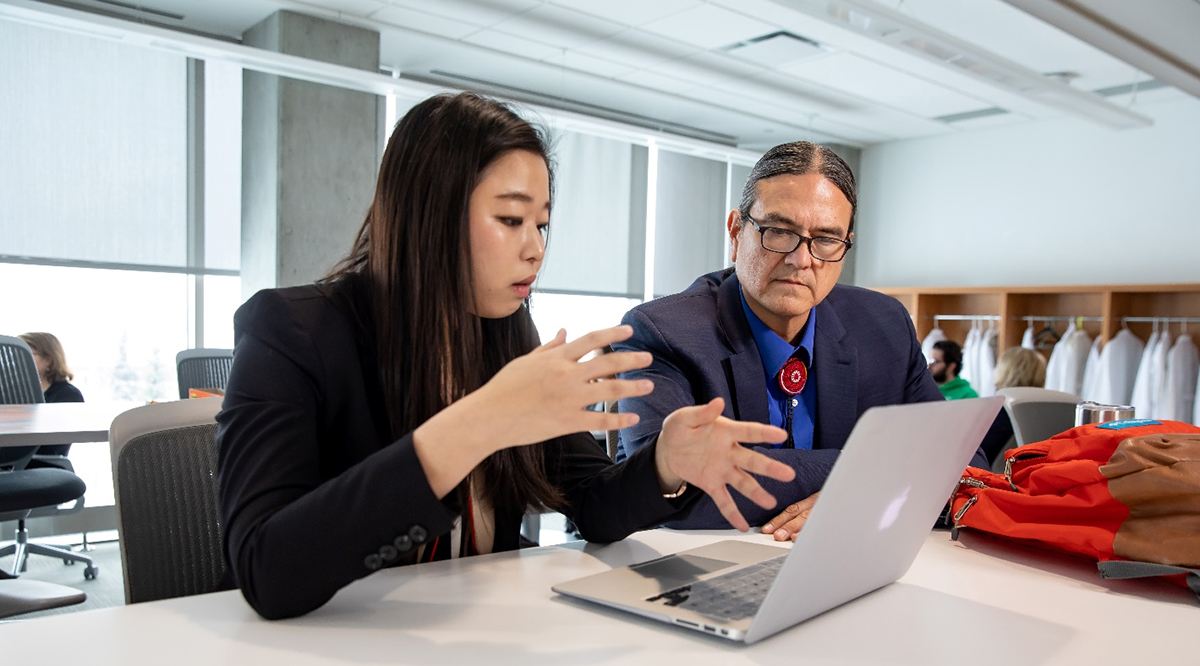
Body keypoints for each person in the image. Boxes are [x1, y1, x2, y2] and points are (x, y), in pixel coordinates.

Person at [215, 92, 795, 620]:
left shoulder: (505, 329)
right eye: (511, 220)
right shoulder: (291, 332)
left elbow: (590, 505)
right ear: (430, 217)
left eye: (542, 224)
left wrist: (666, 464)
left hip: (470, 629)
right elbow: (268, 571)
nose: (536, 248)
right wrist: (482, 420)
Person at [614, 141, 987, 541]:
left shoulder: (884, 327)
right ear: (736, 232)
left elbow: (966, 466)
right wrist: (869, 475)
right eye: (779, 231)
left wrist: (861, 497)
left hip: (848, 561)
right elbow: (672, 494)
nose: (801, 259)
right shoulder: (663, 332)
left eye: (826, 239)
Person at [19, 332, 83, 457]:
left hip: (45, 463)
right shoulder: (13, 392)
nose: (18, 360)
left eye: (26, 354)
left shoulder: (68, 395)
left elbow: (54, 445)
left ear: (48, 359)